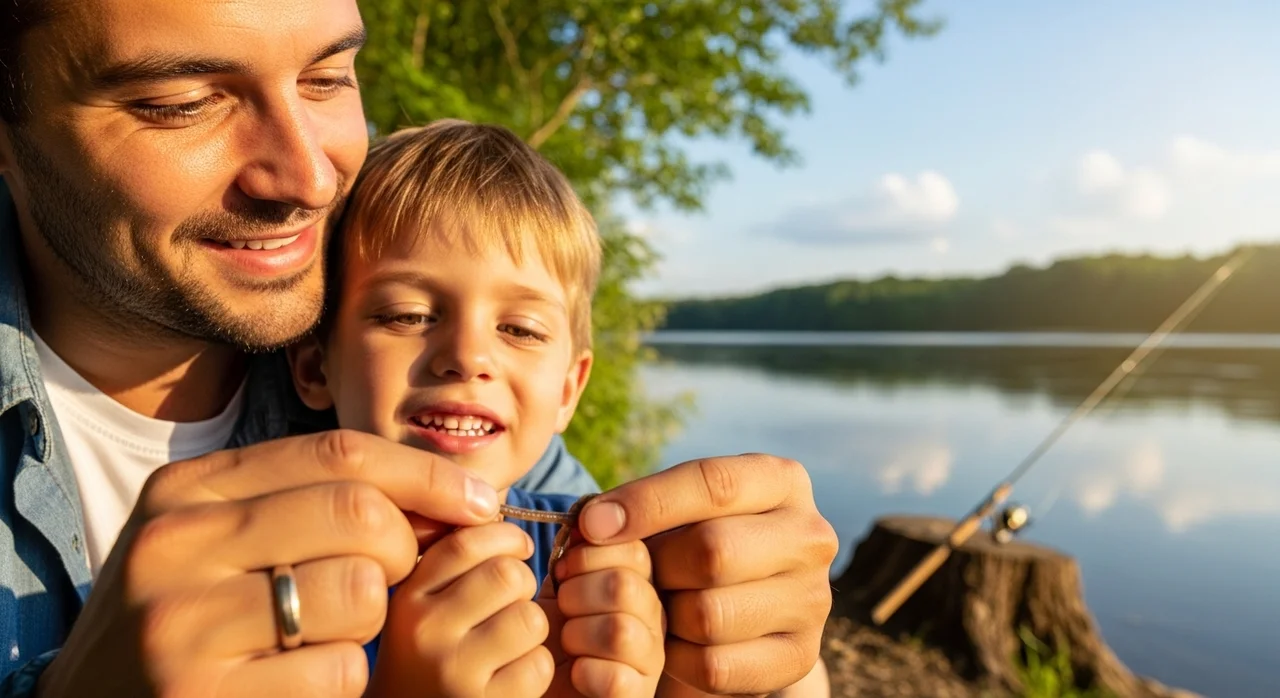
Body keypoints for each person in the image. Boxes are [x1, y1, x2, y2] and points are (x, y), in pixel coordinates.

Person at [0, 1, 839, 697]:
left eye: (328, 77)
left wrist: (749, 648)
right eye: (182, 101)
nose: (311, 179)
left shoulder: (407, 398)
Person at [285, 118, 663, 697]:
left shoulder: (598, 565)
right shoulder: (281, 578)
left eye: (520, 328)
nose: (467, 357)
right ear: (315, 368)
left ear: (567, 390)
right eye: (407, 315)